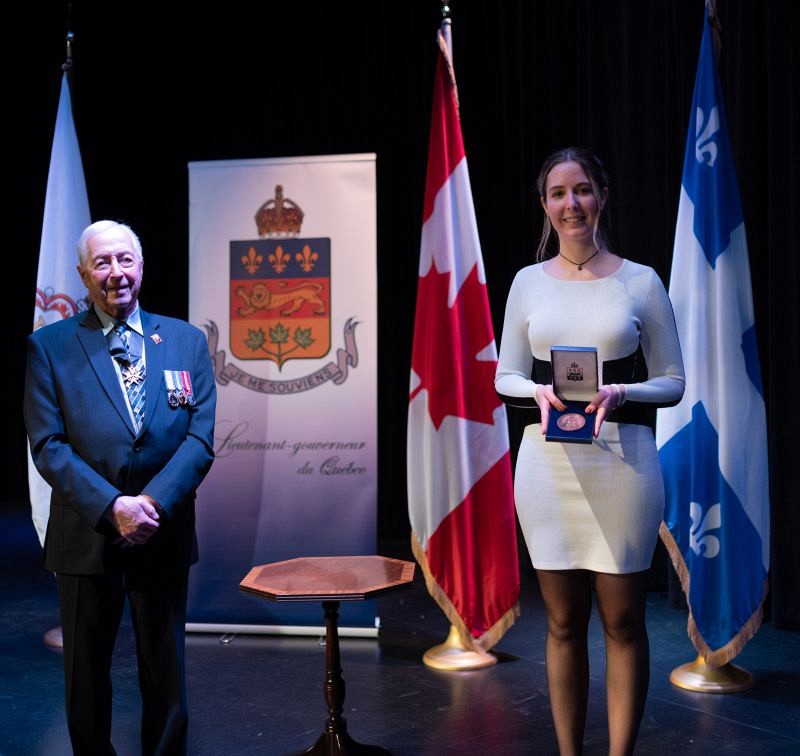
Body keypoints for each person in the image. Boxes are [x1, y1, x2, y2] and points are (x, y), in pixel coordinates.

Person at [495, 147, 685, 756]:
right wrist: (535, 391)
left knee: (623, 622)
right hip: (547, 464)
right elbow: (504, 374)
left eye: (581, 190)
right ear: (545, 205)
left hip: (623, 461)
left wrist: (623, 390)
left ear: (601, 196)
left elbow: (674, 381)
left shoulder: (641, 280)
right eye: (558, 193)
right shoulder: (527, 282)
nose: (570, 204)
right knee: (560, 623)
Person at [24, 219, 217, 755]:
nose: (116, 273)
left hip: (161, 528)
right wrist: (112, 507)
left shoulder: (186, 341)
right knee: (86, 672)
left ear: (141, 266)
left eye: (125, 260)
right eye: (102, 263)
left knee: (165, 668)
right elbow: (48, 445)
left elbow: (200, 440)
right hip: (87, 533)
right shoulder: (49, 347)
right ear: (83, 274)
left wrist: (150, 504)